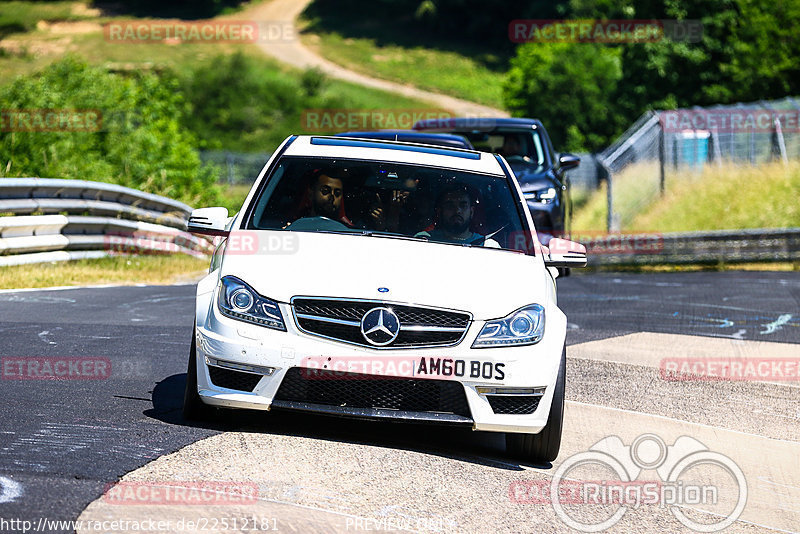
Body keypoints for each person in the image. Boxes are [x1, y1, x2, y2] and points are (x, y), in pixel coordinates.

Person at [416, 185, 499, 247]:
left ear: (471, 211)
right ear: (440, 211)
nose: (457, 211)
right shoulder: (423, 240)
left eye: (463, 206)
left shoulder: (488, 245)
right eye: (450, 206)